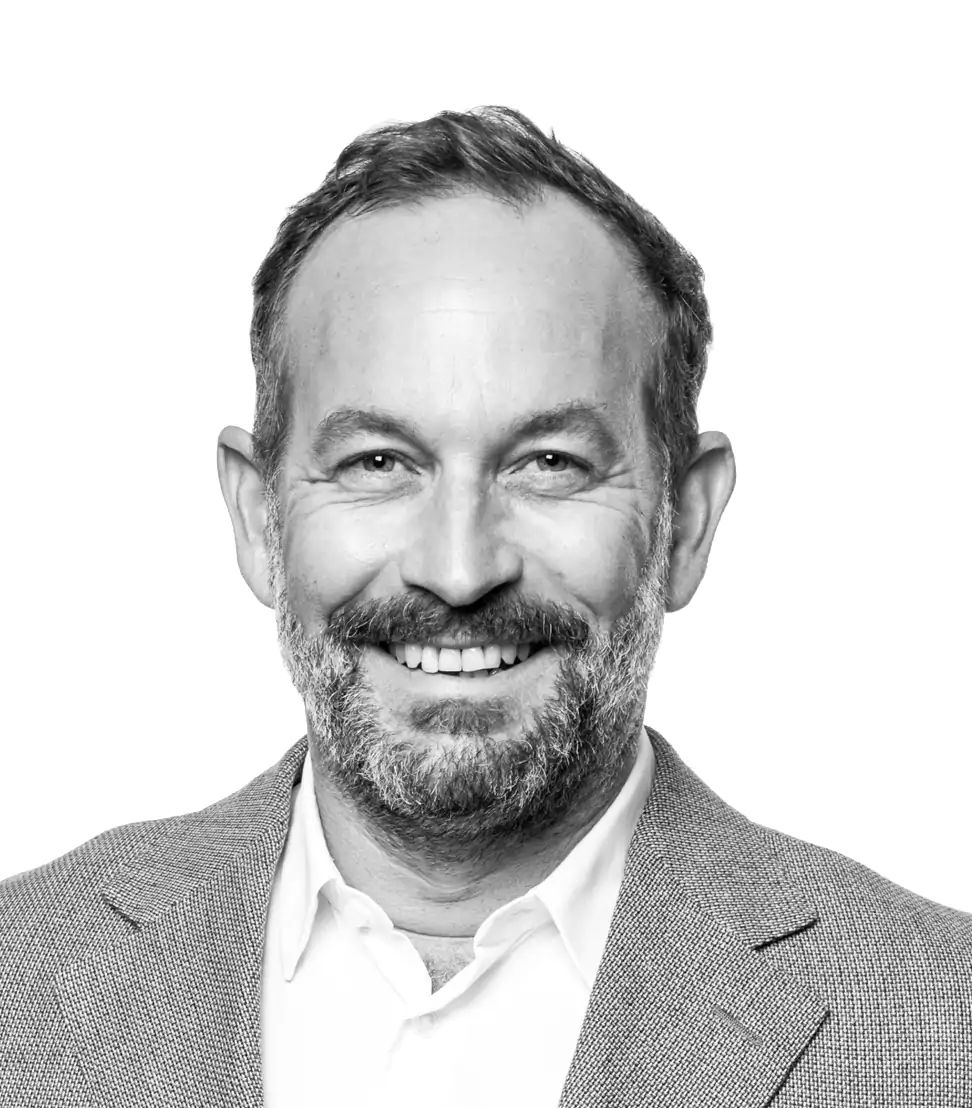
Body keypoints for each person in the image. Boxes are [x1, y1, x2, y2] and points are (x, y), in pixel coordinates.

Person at [1, 106, 968, 1108]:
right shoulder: (16, 976)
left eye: (549, 463)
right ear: (257, 517)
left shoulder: (946, 1027)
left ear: (684, 521)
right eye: (378, 462)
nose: (459, 571)